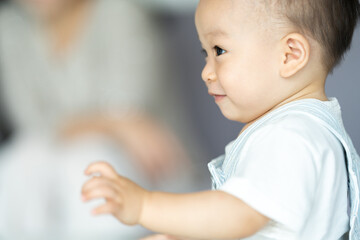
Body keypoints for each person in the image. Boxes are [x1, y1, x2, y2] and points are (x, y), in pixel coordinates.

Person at [81, 0, 360, 239]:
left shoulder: (291, 136)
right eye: (205, 54)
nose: (206, 72)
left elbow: (239, 214)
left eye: (219, 51)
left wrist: (144, 205)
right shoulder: (306, 131)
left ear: (289, 55)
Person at [0, 0, 205, 239]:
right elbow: (31, 123)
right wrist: (115, 124)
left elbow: (130, 103)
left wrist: (112, 123)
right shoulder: (10, 26)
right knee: (21, 159)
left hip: (151, 165)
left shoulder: (119, 11)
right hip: (51, 168)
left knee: (84, 164)